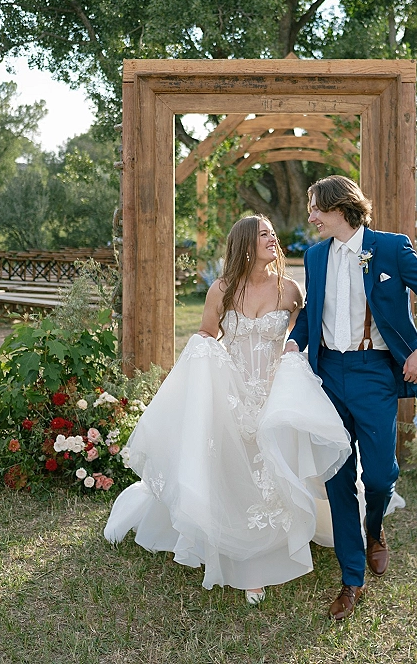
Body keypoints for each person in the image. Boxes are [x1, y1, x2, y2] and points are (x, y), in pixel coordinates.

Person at [104, 215, 351, 604]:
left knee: (270, 472)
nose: (273, 239)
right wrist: (210, 366)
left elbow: (302, 335)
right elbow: (205, 335)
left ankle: (268, 551)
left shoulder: (290, 290)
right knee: (233, 469)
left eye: (273, 233)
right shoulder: (221, 290)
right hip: (231, 393)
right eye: (264, 234)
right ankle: (235, 551)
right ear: (246, 244)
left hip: (273, 394)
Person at [286, 176, 417, 620]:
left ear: (340, 207)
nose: (311, 216)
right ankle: (351, 579)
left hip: (375, 372)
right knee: (338, 476)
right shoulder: (316, 254)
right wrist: (290, 344)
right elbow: (311, 313)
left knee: (379, 476)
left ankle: (375, 529)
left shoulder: (391, 248)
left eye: (316, 208)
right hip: (326, 377)